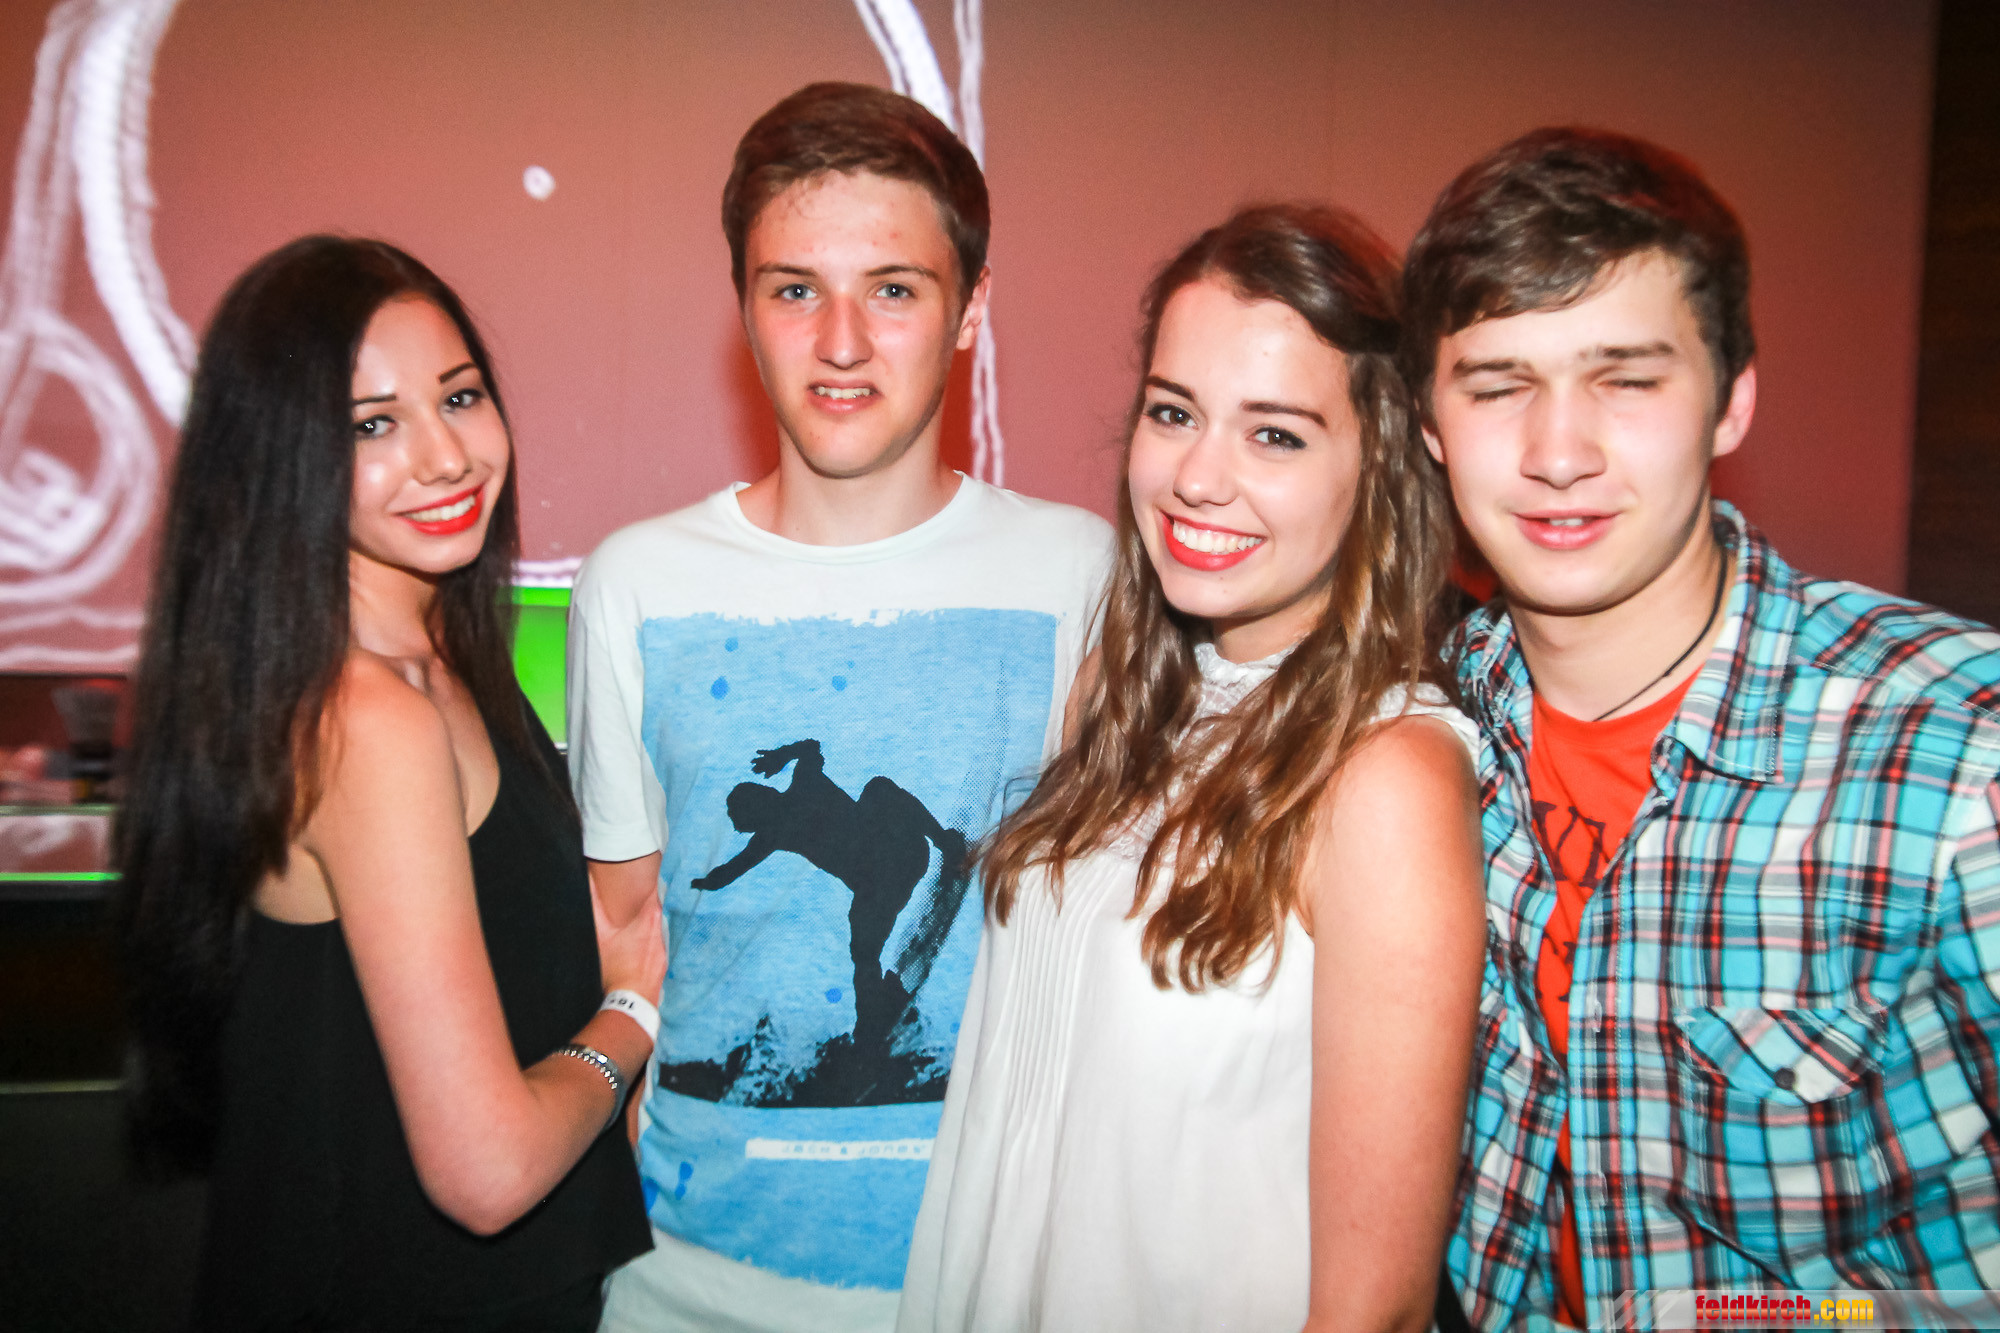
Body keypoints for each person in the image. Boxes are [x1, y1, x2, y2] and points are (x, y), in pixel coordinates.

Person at [1406, 128, 2000, 1331]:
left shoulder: (1953, 750)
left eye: (1624, 380)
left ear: (1730, 402)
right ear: (1428, 425)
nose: (1556, 453)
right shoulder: (1414, 730)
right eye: (1497, 385)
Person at [570, 82, 1114, 1332]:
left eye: (893, 288)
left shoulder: (1081, 573)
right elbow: (628, 919)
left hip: (997, 1284)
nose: (841, 341)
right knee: (875, 957)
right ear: (743, 308)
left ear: (969, 309)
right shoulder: (636, 584)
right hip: (686, 1284)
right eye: (794, 289)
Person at [897, 203, 1487, 1333]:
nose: (1197, 478)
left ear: (1379, 459)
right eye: (1174, 413)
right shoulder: (1117, 697)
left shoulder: (1385, 775)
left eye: (1276, 435)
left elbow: (1374, 1307)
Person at [115, 236, 660, 1331]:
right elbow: (486, 1170)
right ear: (278, 461)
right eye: (372, 424)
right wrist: (633, 1008)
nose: (445, 456)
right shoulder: (367, 718)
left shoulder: (442, 659)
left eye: (459, 397)